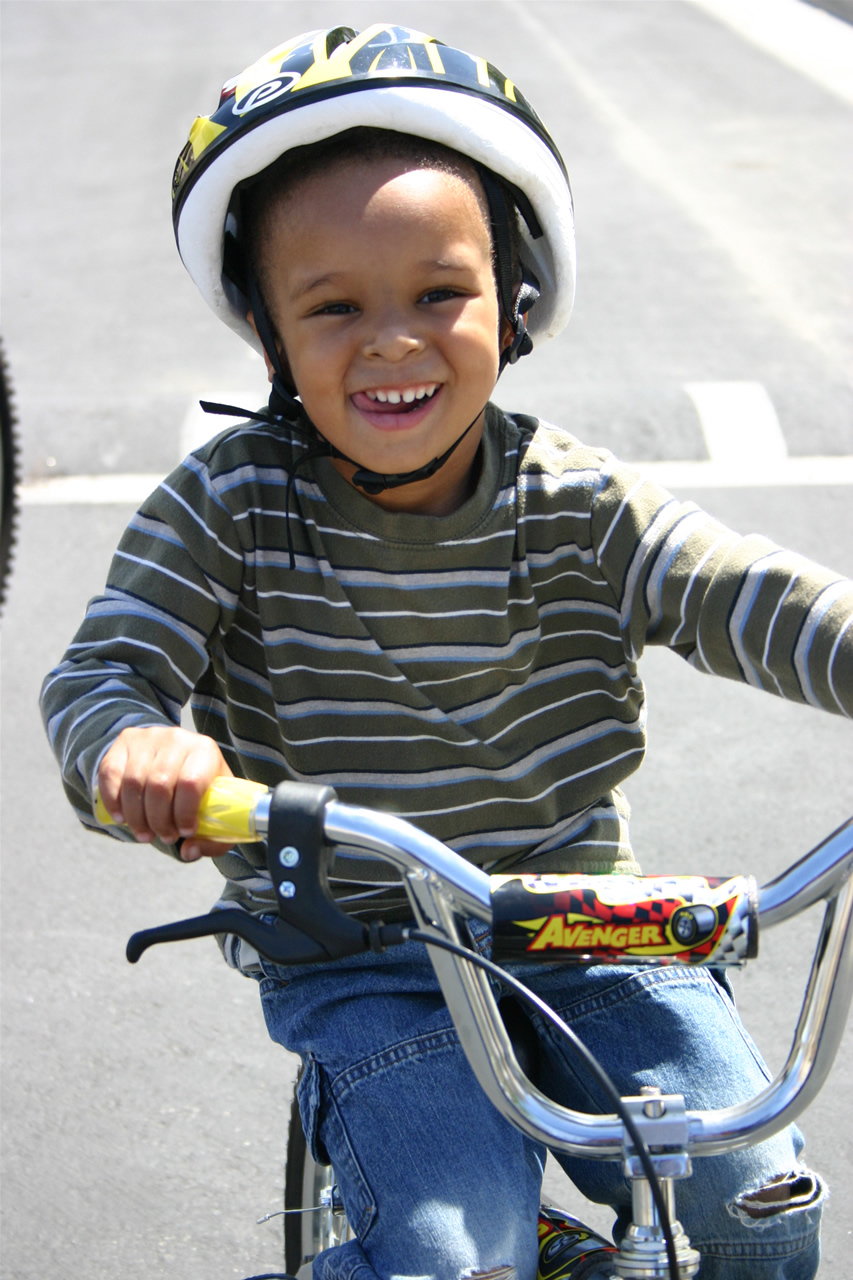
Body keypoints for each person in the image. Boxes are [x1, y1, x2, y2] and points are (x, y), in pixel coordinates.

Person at [40, 24, 850, 1280]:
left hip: (588, 928)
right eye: (334, 306)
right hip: (368, 954)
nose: (393, 340)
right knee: (450, 1263)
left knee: (766, 1208)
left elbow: (744, 593)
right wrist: (137, 744)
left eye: (439, 293)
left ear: (513, 299)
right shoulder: (230, 505)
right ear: (270, 334)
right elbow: (103, 674)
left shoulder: (579, 503)